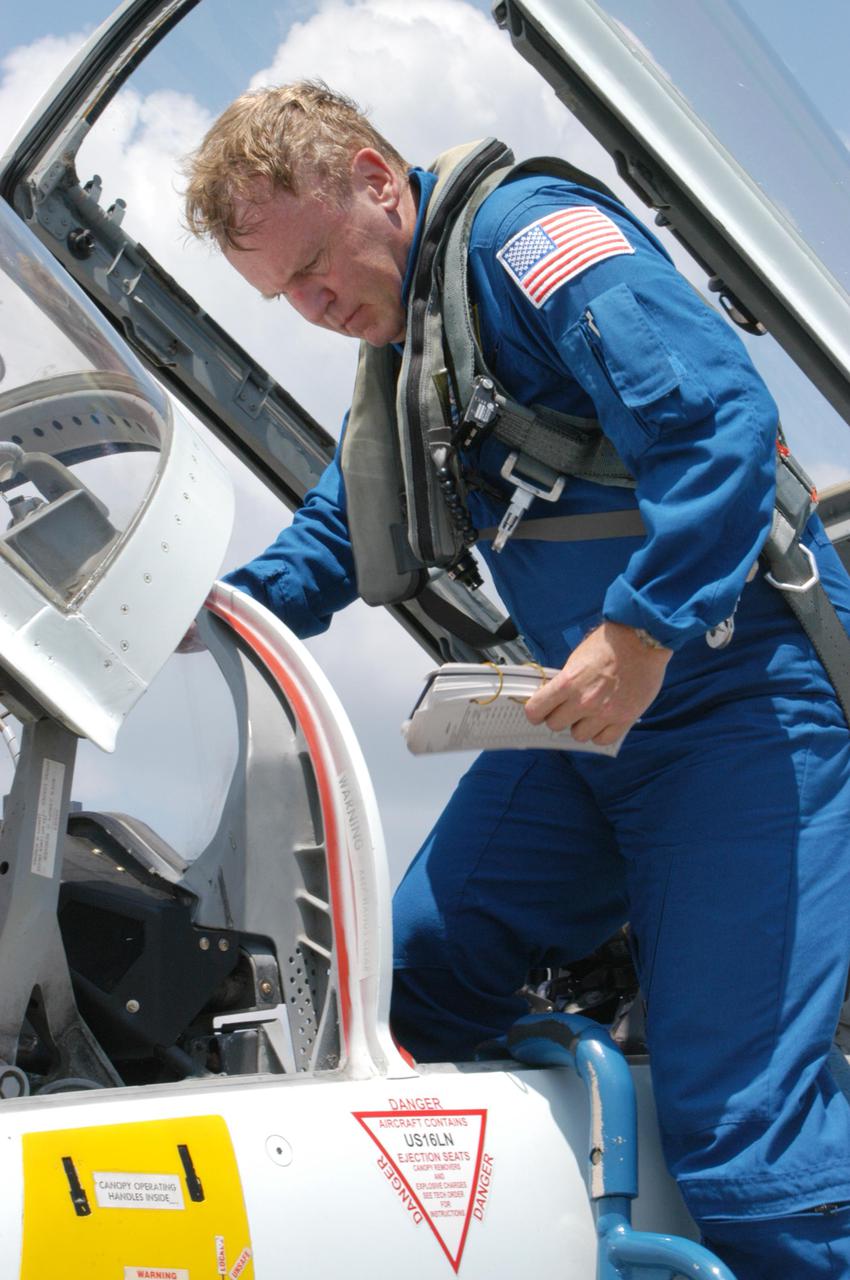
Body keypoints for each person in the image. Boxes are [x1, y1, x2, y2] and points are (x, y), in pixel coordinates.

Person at [184, 82, 850, 1278]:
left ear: (380, 180)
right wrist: (198, 616)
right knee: (399, 1004)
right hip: (588, 728)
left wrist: (640, 630)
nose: (316, 304)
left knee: (748, 1144)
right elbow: (336, 541)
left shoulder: (527, 242)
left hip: (737, 705)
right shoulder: (407, 353)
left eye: (320, 263)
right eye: (286, 292)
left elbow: (718, 426)